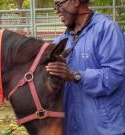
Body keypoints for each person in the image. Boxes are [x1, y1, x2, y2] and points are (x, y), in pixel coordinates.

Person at [46, 0, 125, 134]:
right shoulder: (62, 41)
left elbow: (115, 75)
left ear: (76, 1)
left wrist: (75, 76)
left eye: (59, 4)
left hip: (102, 128)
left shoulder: (106, 29)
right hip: (71, 127)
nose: (56, 10)